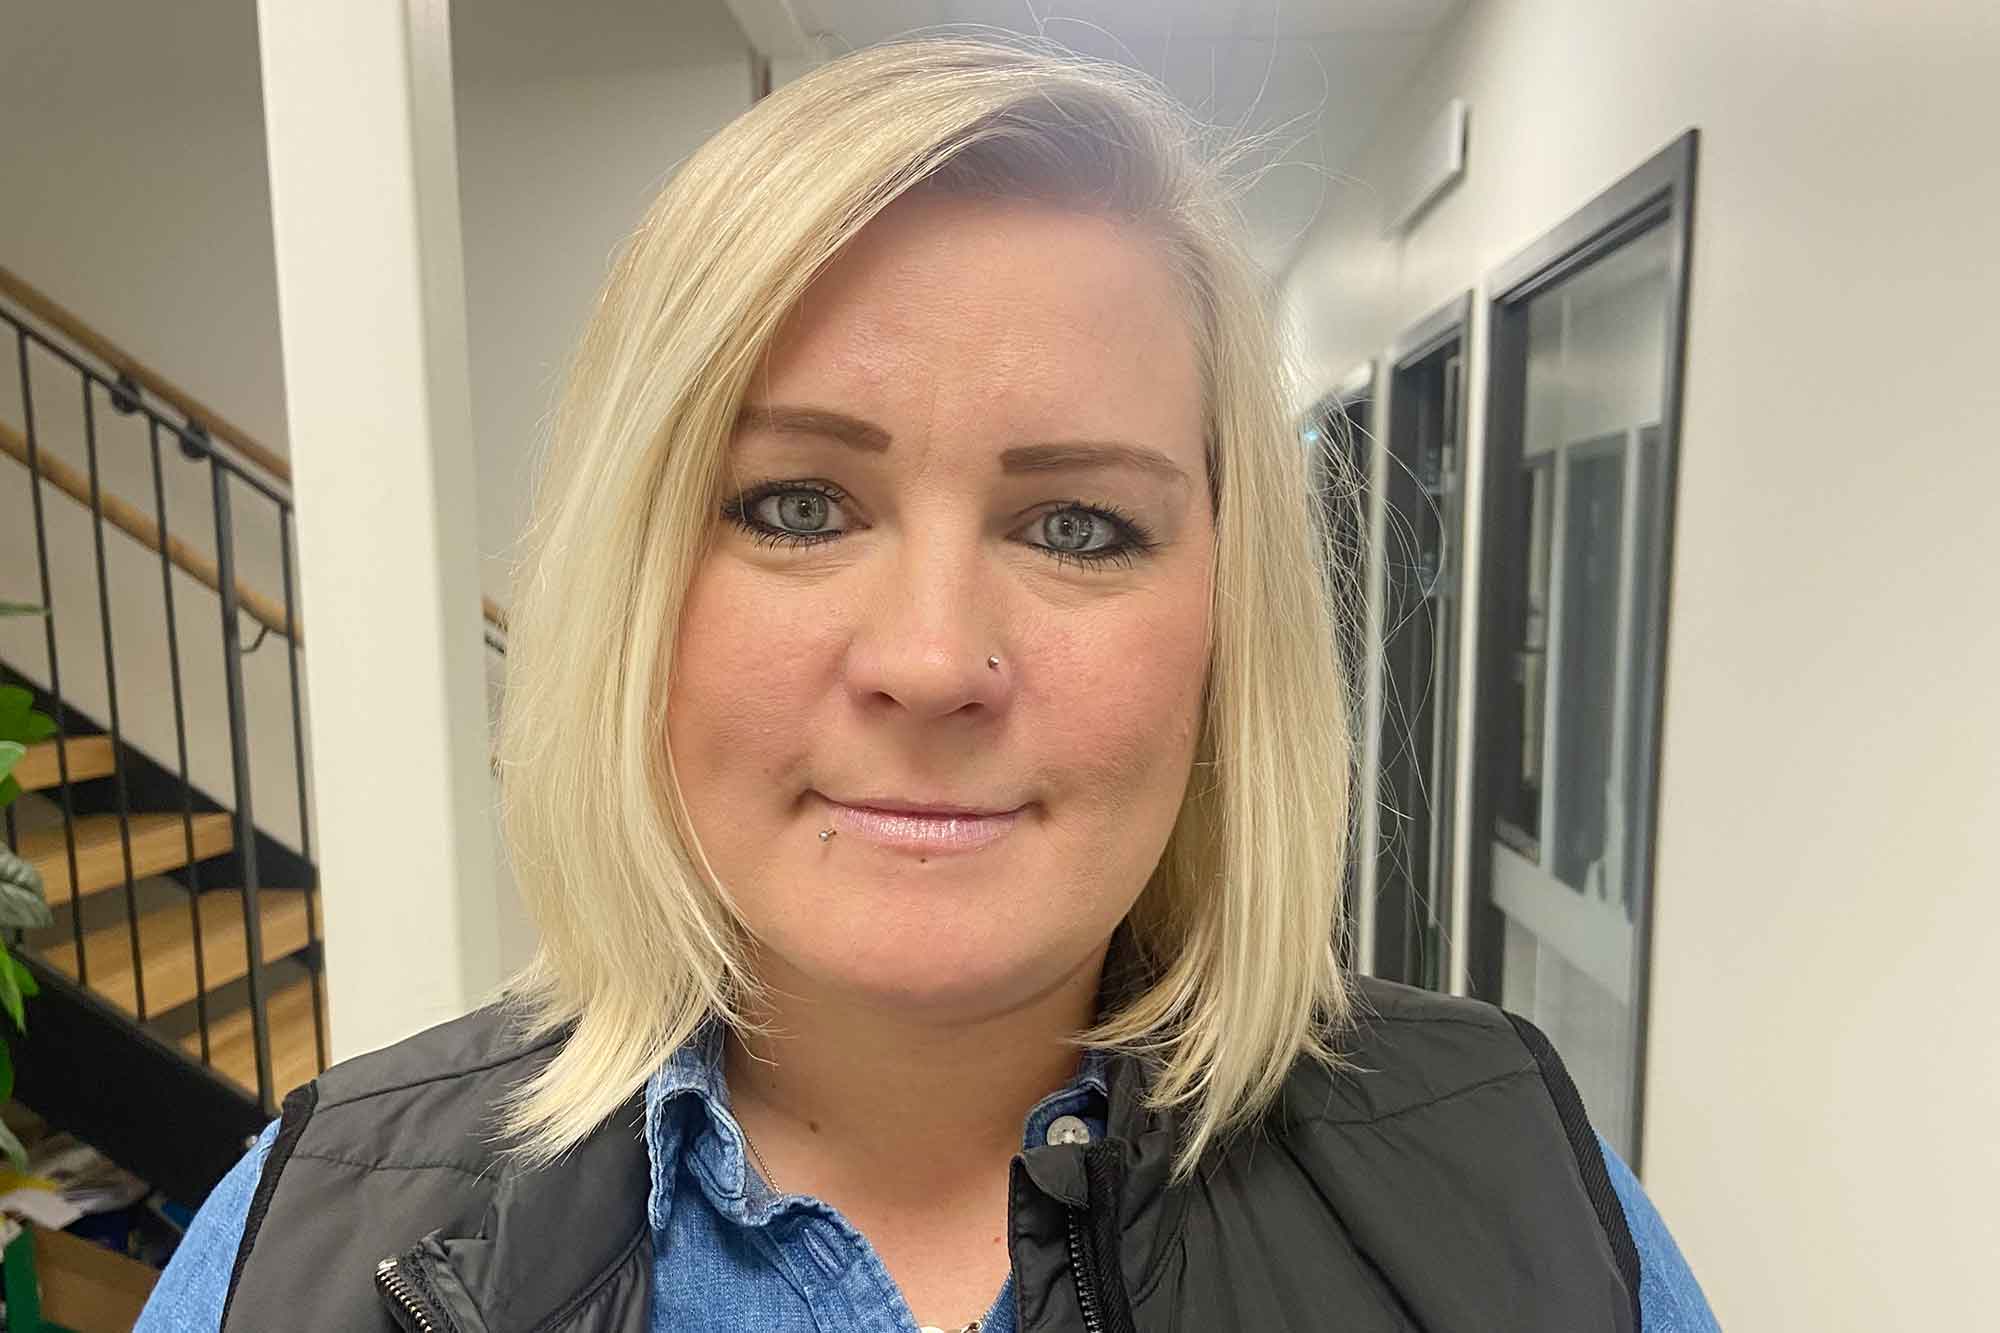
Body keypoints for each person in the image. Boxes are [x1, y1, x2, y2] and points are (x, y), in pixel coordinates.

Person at [137, 35, 1717, 1333]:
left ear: (1229, 622)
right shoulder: (300, 1246)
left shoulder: (1518, 1190)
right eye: (796, 506)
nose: (933, 661)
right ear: (638, 589)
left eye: (1078, 524)